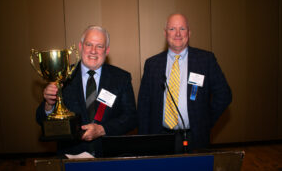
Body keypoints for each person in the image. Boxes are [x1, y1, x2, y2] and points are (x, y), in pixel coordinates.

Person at [36, 25, 137, 157]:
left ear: (107, 50)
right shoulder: (62, 76)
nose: (93, 51)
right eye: (89, 44)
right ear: (80, 46)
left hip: (110, 156)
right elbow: (40, 120)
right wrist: (49, 104)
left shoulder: (121, 78)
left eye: (99, 46)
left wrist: (102, 129)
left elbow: (131, 118)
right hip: (71, 156)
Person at [137, 14, 232, 152]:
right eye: (172, 29)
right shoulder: (152, 64)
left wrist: (204, 122)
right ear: (165, 33)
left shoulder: (205, 60)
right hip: (159, 138)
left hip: (195, 138)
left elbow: (224, 95)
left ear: (189, 32)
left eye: (182, 28)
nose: (177, 34)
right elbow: (143, 107)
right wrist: (144, 141)